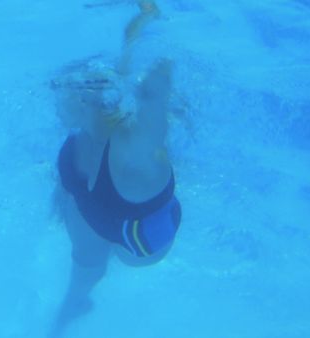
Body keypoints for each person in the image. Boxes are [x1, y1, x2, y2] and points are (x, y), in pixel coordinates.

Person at [49, 1, 181, 336]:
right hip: (89, 203)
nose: (65, 94)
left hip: (138, 233)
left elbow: (153, 98)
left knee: (131, 259)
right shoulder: (74, 140)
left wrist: (154, 44)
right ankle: (71, 310)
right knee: (85, 267)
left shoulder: (130, 149)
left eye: (73, 90)